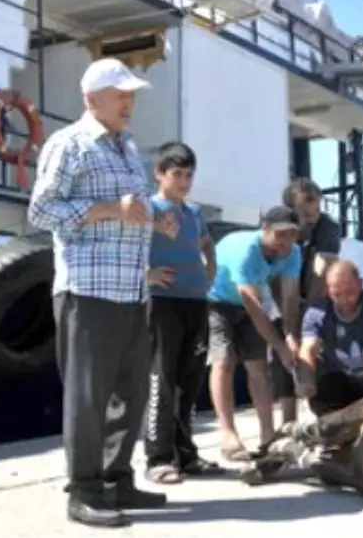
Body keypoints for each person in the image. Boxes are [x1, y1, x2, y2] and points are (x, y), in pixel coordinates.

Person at [27, 57, 165, 527]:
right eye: (121, 94)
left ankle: (117, 479)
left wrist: (151, 217)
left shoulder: (127, 146)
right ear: (92, 100)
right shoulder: (70, 144)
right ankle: (83, 491)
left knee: (131, 392)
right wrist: (111, 208)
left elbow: (130, 209)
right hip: (88, 290)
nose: (130, 102)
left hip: (130, 291)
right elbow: (40, 211)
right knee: (88, 397)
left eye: (131, 95)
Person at [141, 142, 223, 485]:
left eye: (189, 175)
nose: (184, 182)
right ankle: (158, 459)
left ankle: (186, 455)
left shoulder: (194, 212)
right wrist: (146, 274)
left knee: (189, 382)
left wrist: (211, 269)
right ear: (160, 174)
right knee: (162, 378)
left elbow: (205, 243)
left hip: (195, 302)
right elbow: (127, 245)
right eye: (177, 174)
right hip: (164, 303)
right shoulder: (149, 209)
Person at [206, 206, 302, 461]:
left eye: (293, 234)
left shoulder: (293, 253)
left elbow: (290, 298)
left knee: (258, 367)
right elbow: (254, 308)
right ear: (265, 229)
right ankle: (228, 435)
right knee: (224, 362)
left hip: (253, 301)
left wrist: (290, 336)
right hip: (217, 301)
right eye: (281, 234)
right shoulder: (246, 251)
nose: (287, 241)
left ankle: (268, 436)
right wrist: (280, 347)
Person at [271, 178, 342, 426]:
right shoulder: (280, 228)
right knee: (285, 350)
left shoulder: (329, 228)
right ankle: (287, 421)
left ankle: (326, 416)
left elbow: (320, 273)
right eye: (305, 212)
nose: (312, 217)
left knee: (317, 348)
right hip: (281, 290)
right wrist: (289, 324)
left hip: (316, 292)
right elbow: (276, 278)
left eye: (316, 209)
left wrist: (308, 316)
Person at [295, 260, 363, 415]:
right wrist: (306, 381)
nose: (344, 299)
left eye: (350, 292)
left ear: (361, 284)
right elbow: (308, 349)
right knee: (323, 390)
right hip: (342, 384)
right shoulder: (317, 314)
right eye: (337, 294)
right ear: (328, 291)